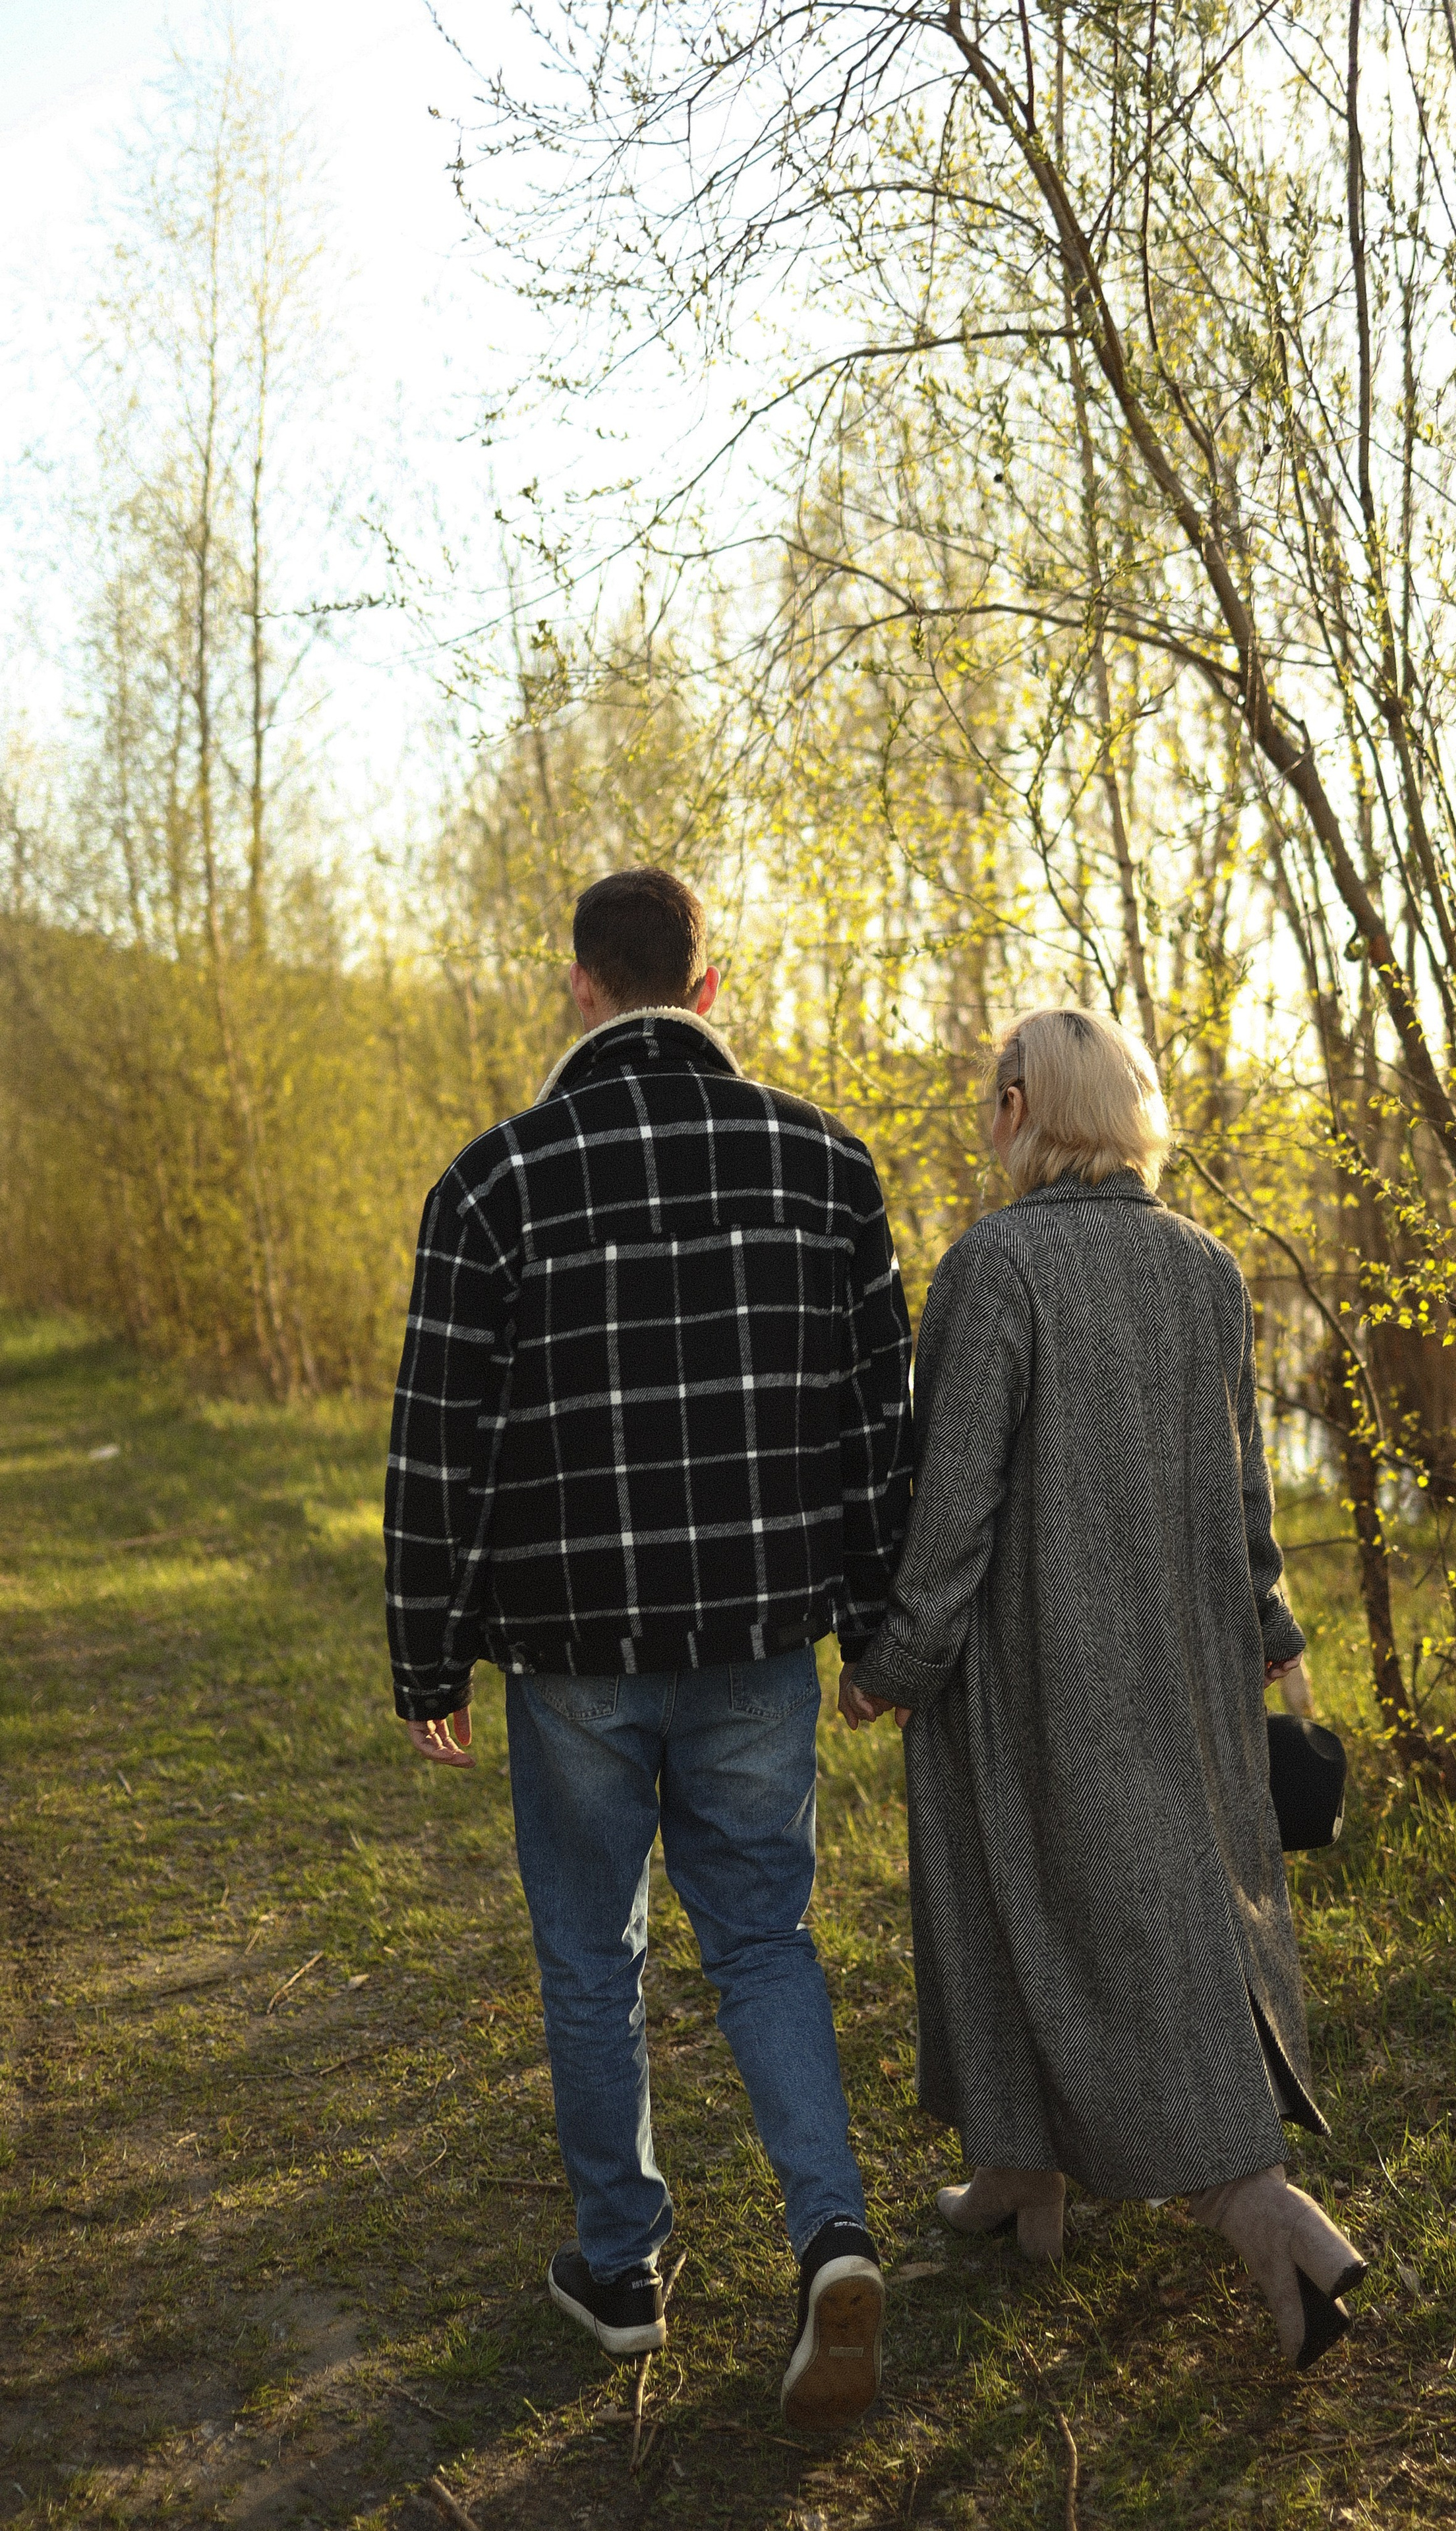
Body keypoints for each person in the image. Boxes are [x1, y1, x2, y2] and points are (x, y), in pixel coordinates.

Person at [384, 868, 913, 2428]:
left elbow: (437, 1451)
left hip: (573, 1653)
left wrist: (428, 1659)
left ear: (579, 985)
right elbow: (876, 1431)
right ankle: (830, 2233)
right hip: (756, 1639)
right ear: (708, 983)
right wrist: (875, 1628)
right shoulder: (824, 1165)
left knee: (588, 1955)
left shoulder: (493, 1184)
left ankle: (621, 2270)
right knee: (763, 1939)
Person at [842, 1007, 1366, 2370]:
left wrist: (898, 1664)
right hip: (1184, 1661)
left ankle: (1260, 2210)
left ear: (1022, 1105)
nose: (984, 1116)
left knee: (1058, 1909)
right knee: (1143, 1906)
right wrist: (1267, 1624)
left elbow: (952, 1504)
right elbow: (1244, 1487)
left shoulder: (992, 1267)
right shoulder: (1207, 1266)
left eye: (990, 1094)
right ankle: (1020, 2174)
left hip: (1028, 1671)